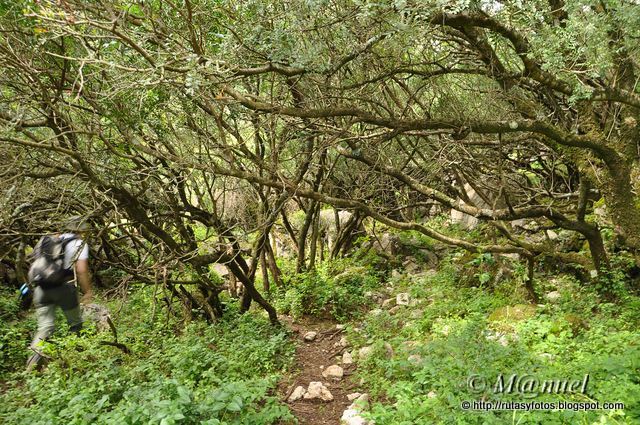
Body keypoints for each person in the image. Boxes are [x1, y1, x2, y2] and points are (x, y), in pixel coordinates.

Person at [26, 216, 93, 370]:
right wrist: (87, 291)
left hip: (41, 289)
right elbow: (81, 270)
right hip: (63, 288)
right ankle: (79, 360)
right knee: (76, 324)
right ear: (81, 228)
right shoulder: (78, 243)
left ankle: (32, 364)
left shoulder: (54, 239)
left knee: (45, 327)